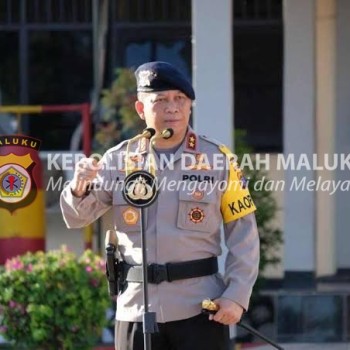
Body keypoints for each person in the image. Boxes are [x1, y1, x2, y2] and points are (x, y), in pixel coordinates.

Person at [60, 61, 260, 350]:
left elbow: (244, 235)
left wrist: (236, 295)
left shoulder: (218, 159)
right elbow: (78, 218)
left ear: (190, 105)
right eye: (161, 100)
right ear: (141, 109)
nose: (172, 108)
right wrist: (78, 187)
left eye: (180, 99)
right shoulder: (119, 159)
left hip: (201, 309)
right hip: (136, 310)